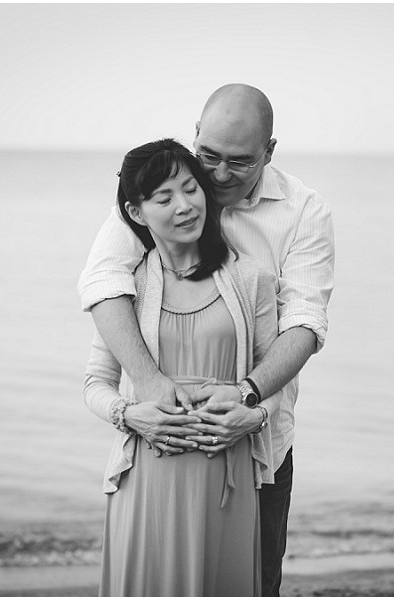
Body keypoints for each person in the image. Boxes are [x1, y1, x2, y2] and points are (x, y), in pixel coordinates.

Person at [78, 83, 335, 596]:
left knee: (253, 583)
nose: (215, 177)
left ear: (270, 151)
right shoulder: (165, 190)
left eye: (238, 162)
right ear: (196, 136)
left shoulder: (303, 214)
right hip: (153, 462)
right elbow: (104, 284)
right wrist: (143, 391)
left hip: (253, 449)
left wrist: (249, 400)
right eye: (208, 156)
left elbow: (303, 323)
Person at [83, 138, 282, 595]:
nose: (185, 206)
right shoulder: (124, 291)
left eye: (191, 189)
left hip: (225, 478)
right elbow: (96, 383)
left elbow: (276, 378)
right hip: (148, 479)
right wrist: (130, 414)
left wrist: (254, 414)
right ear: (137, 213)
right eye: (164, 197)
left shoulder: (251, 278)